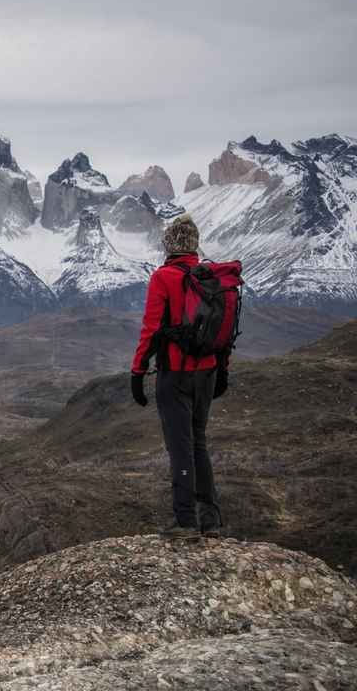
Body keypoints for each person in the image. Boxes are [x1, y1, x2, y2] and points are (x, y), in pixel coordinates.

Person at [129, 215, 228, 541]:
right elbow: (223, 331)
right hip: (208, 372)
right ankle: (211, 521)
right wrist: (222, 369)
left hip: (176, 375)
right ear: (194, 244)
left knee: (180, 447)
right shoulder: (212, 277)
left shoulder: (164, 277)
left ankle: (185, 522)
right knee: (198, 441)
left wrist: (138, 371)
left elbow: (151, 329)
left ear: (168, 244)